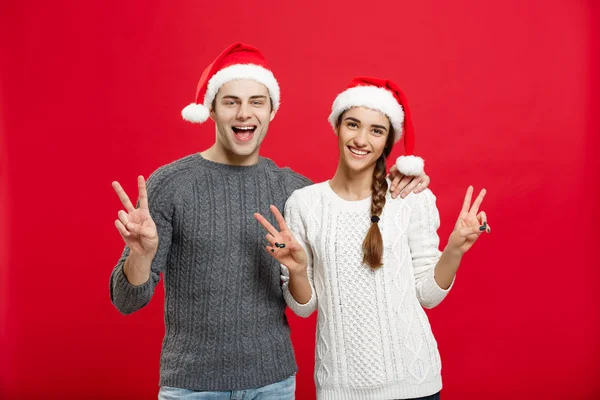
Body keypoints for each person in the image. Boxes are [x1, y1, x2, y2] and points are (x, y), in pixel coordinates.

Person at [109, 44, 431, 399]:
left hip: (273, 384)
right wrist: (141, 255)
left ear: (272, 110)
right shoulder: (171, 184)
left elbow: (355, 216)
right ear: (212, 109)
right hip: (190, 386)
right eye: (231, 101)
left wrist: (407, 182)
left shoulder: (295, 192)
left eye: (256, 102)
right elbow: (126, 301)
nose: (244, 113)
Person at [255, 77, 491, 400]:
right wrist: (296, 270)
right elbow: (304, 307)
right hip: (340, 388)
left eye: (376, 131)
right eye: (353, 125)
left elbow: (428, 295)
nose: (361, 139)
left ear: (387, 142)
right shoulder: (304, 204)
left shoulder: (410, 197)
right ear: (337, 126)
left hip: (415, 383)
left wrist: (455, 248)